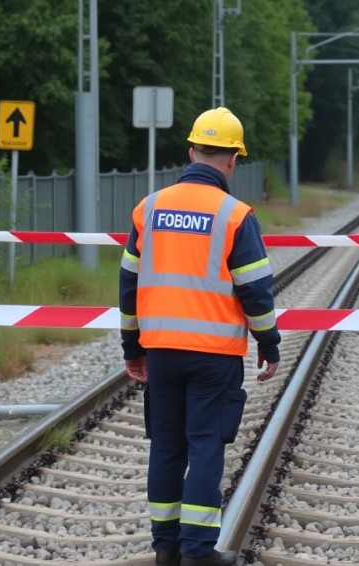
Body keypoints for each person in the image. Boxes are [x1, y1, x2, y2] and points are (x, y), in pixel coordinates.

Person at [118, 107, 281, 566]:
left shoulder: (148, 208)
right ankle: (197, 551)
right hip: (214, 355)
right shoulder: (235, 215)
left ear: (191, 151)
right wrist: (269, 344)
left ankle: (165, 549)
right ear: (233, 159)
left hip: (162, 353)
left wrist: (133, 347)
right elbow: (255, 290)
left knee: (167, 447)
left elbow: (129, 285)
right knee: (206, 444)